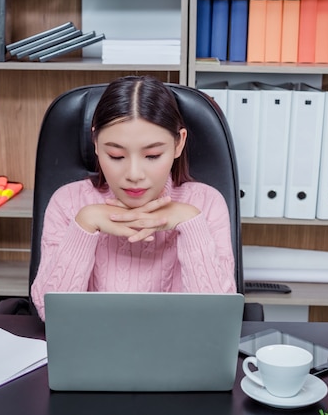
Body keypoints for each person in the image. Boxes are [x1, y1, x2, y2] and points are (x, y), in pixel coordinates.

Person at [31, 76, 236, 320]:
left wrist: (190, 222)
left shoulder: (206, 203)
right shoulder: (68, 202)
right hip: (95, 348)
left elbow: (217, 319)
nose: (134, 175)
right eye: (116, 156)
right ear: (95, 142)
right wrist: (84, 224)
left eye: (152, 155)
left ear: (179, 143)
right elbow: (51, 315)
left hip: (177, 350)